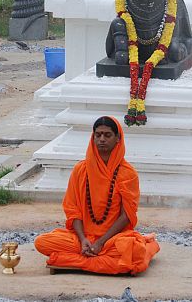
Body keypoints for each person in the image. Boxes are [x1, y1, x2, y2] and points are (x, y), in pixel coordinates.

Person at [34, 116, 160, 275]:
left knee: (134, 250)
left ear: (117, 139)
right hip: (83, 238)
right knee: (42, 242)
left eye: (107, 135)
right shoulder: (80, 170)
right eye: (98, 135)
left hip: (113, 239)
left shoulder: (128, 174)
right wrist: (83, 239)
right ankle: (98, 260)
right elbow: (73, 210)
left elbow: (126, 215)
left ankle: (69, 260)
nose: (102, 139)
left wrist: (101, 242)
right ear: (92, 137)